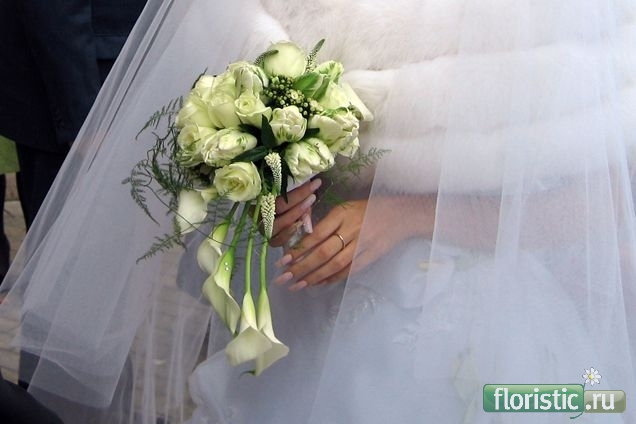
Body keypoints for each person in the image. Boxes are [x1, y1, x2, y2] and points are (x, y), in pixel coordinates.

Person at [0, 0, 634, 423]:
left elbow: (600, 202)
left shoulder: (549, 18)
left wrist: (406, 215)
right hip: (296, 323)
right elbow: (219, 161)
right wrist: (263, 205)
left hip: (471, 340)